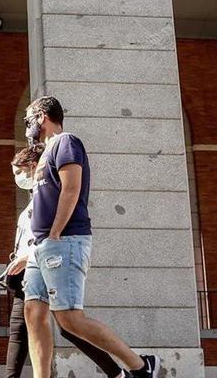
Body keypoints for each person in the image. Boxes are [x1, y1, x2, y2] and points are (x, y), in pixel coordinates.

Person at [22, 96, 160, 378]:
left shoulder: (66, 142)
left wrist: (56, 232)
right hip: (41, 247)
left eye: (28, 120)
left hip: (64, 241)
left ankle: (141, 367)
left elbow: (71, 188)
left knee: (69, 318)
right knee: (33, 313)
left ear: (42, 117)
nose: (27, 127)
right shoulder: (45, 153)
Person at [5, 144, 125, 378]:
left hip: (48, 265)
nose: (17, 179)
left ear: (33, 167)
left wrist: (27, 256)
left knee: (68, 326)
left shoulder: (47, 198)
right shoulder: (34, 200)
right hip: (28, 275)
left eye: (19, 172)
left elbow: (52, 235)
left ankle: (118, 372)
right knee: (19, 330)